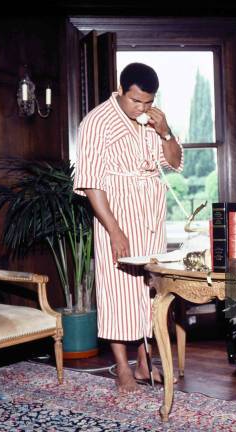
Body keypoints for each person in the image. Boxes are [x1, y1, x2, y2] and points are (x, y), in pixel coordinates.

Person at [74, 63, 183, 393]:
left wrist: (165, 132)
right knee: (118, 293)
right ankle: (122, 367)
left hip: (151, 218)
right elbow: (91, 184)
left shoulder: (154, 119)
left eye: (148, 102)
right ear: (121, 91)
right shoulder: (96, 122)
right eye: (137, 101)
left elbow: (175, 162)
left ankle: (145, 362)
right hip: (116, 217)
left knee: (150, 292)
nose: (143, 108)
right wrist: (115, 231)